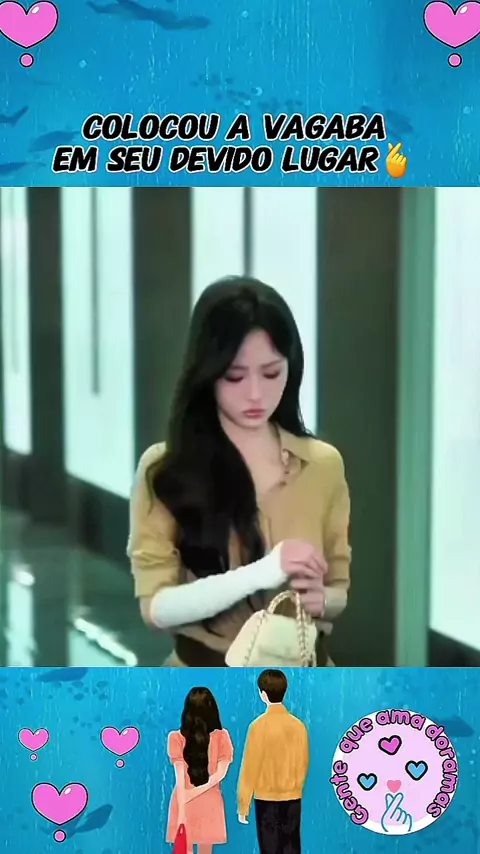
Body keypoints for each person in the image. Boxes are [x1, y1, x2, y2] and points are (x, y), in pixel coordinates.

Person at [127, 276, 351, 666]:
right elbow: (155, 608)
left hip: (305, 678)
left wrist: (320, 600)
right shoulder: (166, 469)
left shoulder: (322, 465)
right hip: (204, 683)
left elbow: (338, 591)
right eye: (234, 376)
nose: (255, 394)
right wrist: (264, 572)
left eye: (271, 373)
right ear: (206, 373)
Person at [237, 670, 309, 854]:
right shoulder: (298, 726)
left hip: (265, 799)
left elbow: (250, 769)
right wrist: (296, 786)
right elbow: (303, 763)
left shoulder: (258, 727)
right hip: (292, 798)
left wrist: (243, 804)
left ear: (262, 694)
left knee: (269, 848)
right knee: (291, 847)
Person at [166, 687, 234, 854]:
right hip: (210, 802)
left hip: (183, 799)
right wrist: (195, 793)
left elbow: (180, 778)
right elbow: (220, 774)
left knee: (185, 849)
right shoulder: (222, 736)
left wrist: (184, 804)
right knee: (206, 850)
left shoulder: (175, 737)